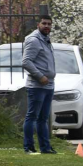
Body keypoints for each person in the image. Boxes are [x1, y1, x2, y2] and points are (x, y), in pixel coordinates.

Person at [21, 15, 57, 155]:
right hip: (37, 86)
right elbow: (26, 62)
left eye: (49, 24)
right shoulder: (34, 40)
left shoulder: (46, 40)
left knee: (43, 118)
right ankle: (29, 148)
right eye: (44, 23)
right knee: (32, 117)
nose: (47, 26)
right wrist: (40, 76)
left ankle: (45, 148)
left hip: (49, 85)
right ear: (38, 25)